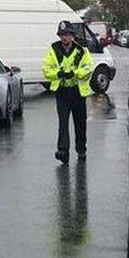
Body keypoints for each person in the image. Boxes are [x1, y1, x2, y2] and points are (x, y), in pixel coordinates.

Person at [42, 20, 95, 164]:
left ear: (72, 35)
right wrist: (59, 74)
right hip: (62, 91)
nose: (65, 38)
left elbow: (89, 67)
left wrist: (75, 73)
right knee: (63, 123)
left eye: (67, 35)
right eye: (62, 35)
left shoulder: (81, 51)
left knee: (80, 123)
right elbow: (47, 69)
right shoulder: (53, 50)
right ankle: (63, 151)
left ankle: (81, 148)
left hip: (77, 92)